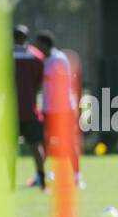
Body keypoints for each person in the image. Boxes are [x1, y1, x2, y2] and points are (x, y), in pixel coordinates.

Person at [33, 32, 83, 188]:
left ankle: (76, 176)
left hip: (63, 110)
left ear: (45, 45)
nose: (36, 47)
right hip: (49, 109)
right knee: (44, 143)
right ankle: (40, 175)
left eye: (38, 44)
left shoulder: (58, 59)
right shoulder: (44, 60)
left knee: (68, 142)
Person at [13, 25, 48, 188]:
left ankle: (9, 182)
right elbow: (39, 84)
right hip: (30, 110)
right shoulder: (37, 57)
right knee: (36, 147)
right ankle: (42, 180)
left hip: (10, 111)